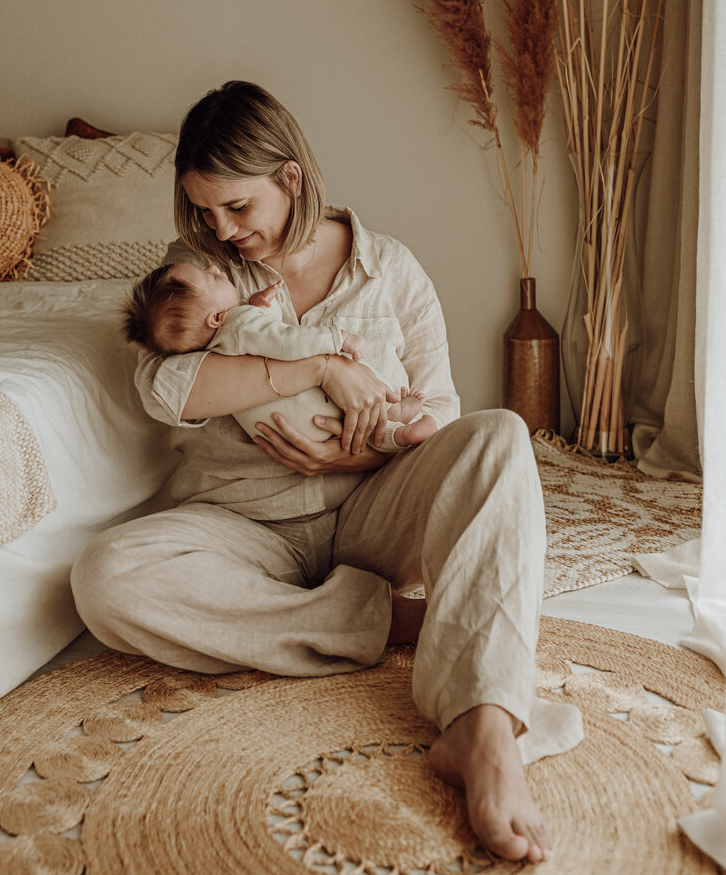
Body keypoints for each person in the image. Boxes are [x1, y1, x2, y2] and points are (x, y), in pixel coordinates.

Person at [71, 80, 558, 864]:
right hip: (242, 525)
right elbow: (168, 389)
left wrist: (356, 454)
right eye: (202, 211)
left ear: (290, 179)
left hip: (373, 516)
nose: (219, 229)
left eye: (236, 208)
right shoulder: (196, 272)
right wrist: (320, 370)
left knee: (499, 436)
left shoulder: (389, 269)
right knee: (106, 577)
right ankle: (397, 624)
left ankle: (483, 728)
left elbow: (440, 409)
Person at [121, 260, 437, 451]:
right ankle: (397, 431)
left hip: (285, 424)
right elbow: (285, 341)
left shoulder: (218, 338)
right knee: (356, 421)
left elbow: (251, 337)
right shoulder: (239, 325)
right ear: (217, 319)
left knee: (355, 417)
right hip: (304, 417)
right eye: (213, 278)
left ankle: (394, 422)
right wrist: (337, 340)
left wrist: (257, 307)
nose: (215, 268)